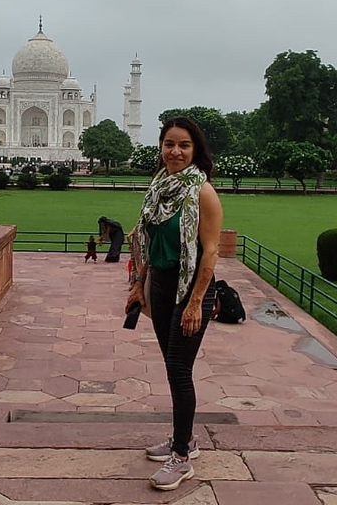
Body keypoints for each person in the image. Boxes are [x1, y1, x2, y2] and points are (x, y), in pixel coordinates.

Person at [125, 117, 223, 491]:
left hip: (192, 290)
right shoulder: (158, 188)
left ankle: (181, 457)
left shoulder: (203, 193)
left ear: (195, 149)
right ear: (161, 147)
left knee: (179, 370)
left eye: (184, 145)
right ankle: (184, 439)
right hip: (162, 286)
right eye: (169, 144)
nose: (175, 151)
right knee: (172, 367)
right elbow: (147, 242)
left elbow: (211, 251)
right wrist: (138, 285)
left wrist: (196, 302)